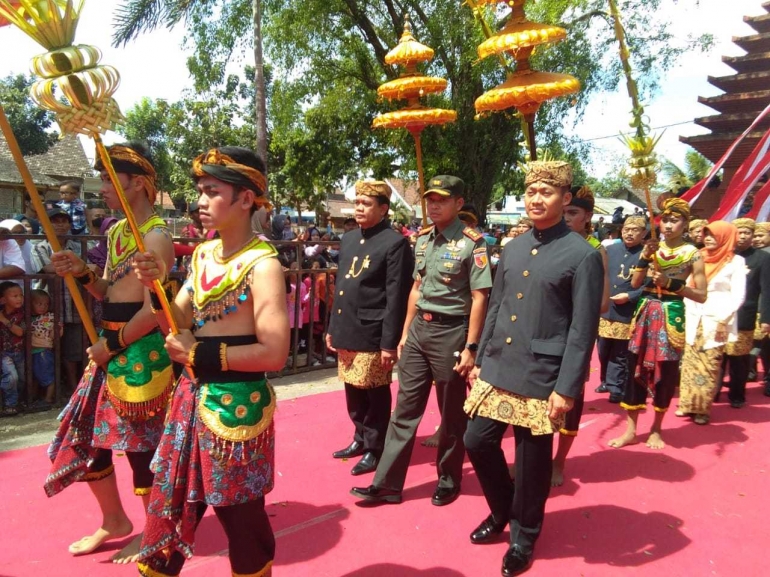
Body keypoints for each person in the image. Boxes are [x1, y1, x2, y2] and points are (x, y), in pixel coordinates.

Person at [133, 146, 289, 577]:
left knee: (242, 520)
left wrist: (199, 353)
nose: (200, 201)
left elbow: (274, 353)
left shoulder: (263, 265)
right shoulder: (203, 255)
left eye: (211, 191)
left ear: (245, 199)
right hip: (190, 402)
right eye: (199, 190)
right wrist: (156, 284)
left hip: (236, 410)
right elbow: (176, 317)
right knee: (172, 502)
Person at [463, 160, 603, 576]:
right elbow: (496, 306)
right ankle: (503, 509)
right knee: (477, 441)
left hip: (545, 373)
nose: (536, 199)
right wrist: (481, 356)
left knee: (531, 461)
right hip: (501, 365)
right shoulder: (513, 247)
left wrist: (568, 387)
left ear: (565, 198)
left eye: (546, 192)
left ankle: (524, 535)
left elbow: (582, 330)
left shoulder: (582, 255)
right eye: (531, 192)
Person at [44, 142, 175, 563]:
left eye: (107, 178)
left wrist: (111, 346)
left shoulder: (156, 235)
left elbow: (154, 311)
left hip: (138, 352)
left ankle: (154, 530)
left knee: (140, 447)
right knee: (90, 438)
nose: (100, 186)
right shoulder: (117, 231)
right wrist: (81, 273)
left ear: (136, 183)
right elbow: (106, 291)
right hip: (107, 348)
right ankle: (114, 519)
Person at [351, 175, 492, 506]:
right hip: (418, 334)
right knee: (404, 410)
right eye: (430, 199)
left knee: (451, 412)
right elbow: (416, 288)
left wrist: (472, 347)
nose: (434, 204)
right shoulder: (424, 239)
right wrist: (404, 334)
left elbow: (479, 297)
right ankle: (386, 484)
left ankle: (448, 477)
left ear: (458, 204)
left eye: (442, 199)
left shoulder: (474, 243)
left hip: (451, 333)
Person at [327, 180, 413, 475]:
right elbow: (341, 287)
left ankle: (376, 448)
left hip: (373, 331)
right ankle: (360, 438)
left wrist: (390, 343)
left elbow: (396, 296)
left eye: (366, 204)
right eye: (357, 203)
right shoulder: (350, 239)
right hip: (347, 328)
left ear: (384, 209)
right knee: (353, 392)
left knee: (375, 394)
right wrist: (332, 328)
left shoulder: (395, 243)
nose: (359, 208)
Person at [609, 198, 706, 450]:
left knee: (665, 371)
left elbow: (702, 294)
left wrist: (672, 283)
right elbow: (635, 283)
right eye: (665, 219)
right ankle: (631, 429)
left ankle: (656, 428)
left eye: (675, 220)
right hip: (645, 313)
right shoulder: (652, 248)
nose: (668, 224)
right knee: (634, 367)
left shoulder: (692, 253)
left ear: (685, 224)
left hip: (671, 313)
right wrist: (643, 257)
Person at [552, 185, 609, 486]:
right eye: (564, 212)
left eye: (573, 213)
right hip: (543, 335)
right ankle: (533, 459)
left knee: (569, 401)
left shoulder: (595, 251)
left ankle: (559, 462)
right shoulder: (549, 242)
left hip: (574, 337)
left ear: (587, 216)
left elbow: (601, 303)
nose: (566, 218)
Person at [678, 222, 746, 425]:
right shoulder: (698, 256)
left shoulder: (736, 262)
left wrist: (724, 320)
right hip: (693, 314)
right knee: (689, 362)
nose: (708, 239)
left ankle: (702, 408)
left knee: (708, 364)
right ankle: (686, 404)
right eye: (706, 234)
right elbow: (688, 283)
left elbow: (738, 295)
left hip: (716, 318)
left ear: (725, 238)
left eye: (714, 236)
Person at [30, 208, 88, 393]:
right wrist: (73, 267)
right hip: (49, 311)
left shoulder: (78, 245)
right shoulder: (39, 246)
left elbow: (85, 268)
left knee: (74, 353)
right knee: (45, 352)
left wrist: (71, 268)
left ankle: (75, 390)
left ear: (70, 225)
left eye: (64, 221)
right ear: (46, 225)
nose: (60, 224)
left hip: (73, 307)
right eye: (55, 221)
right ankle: (49, 393)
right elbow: (47, 269)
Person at [596, 216, 646, 404]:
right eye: (627, 229)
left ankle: (616, 387)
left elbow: (648, 286)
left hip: (627, 311)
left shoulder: (646, 254)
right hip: (605, 309)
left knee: (619, 352)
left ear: (644, 233)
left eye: (635, 229)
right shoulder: (609, 250)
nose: (630, 233)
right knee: (602, 350)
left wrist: (630, 296)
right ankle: (605, 381)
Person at [720, 218, 770, 408]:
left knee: (739, 358)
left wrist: (766, 318)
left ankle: (737, 395)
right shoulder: (724, 255)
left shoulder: (762, 258)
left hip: (745, 315)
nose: (742, 236)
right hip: (721, 314)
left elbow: (767, 291)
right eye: (739, 232)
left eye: (747, 233)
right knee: (717, 357)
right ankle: (713, 393)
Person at [28, 289, 59, 410]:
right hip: (33, 351)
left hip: (43, 350)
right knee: (36, 374)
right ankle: (34, 397)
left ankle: (48, 398)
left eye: (46, 304)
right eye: (39, 303)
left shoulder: (49, 317)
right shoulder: (28, 317)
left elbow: (56, 333)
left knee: (47, 375)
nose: (43, 307)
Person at [0, 281, 25, 416]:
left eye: (21, 295)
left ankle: (16, 401)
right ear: (3, 300)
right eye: (14, 296)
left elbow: (21, 332)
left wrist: (4, 320)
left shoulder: (22, 313)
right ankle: (10, 405)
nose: (19, 298)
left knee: (22, 379)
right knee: (12, 377)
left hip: (19, 351)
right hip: (4, 353)